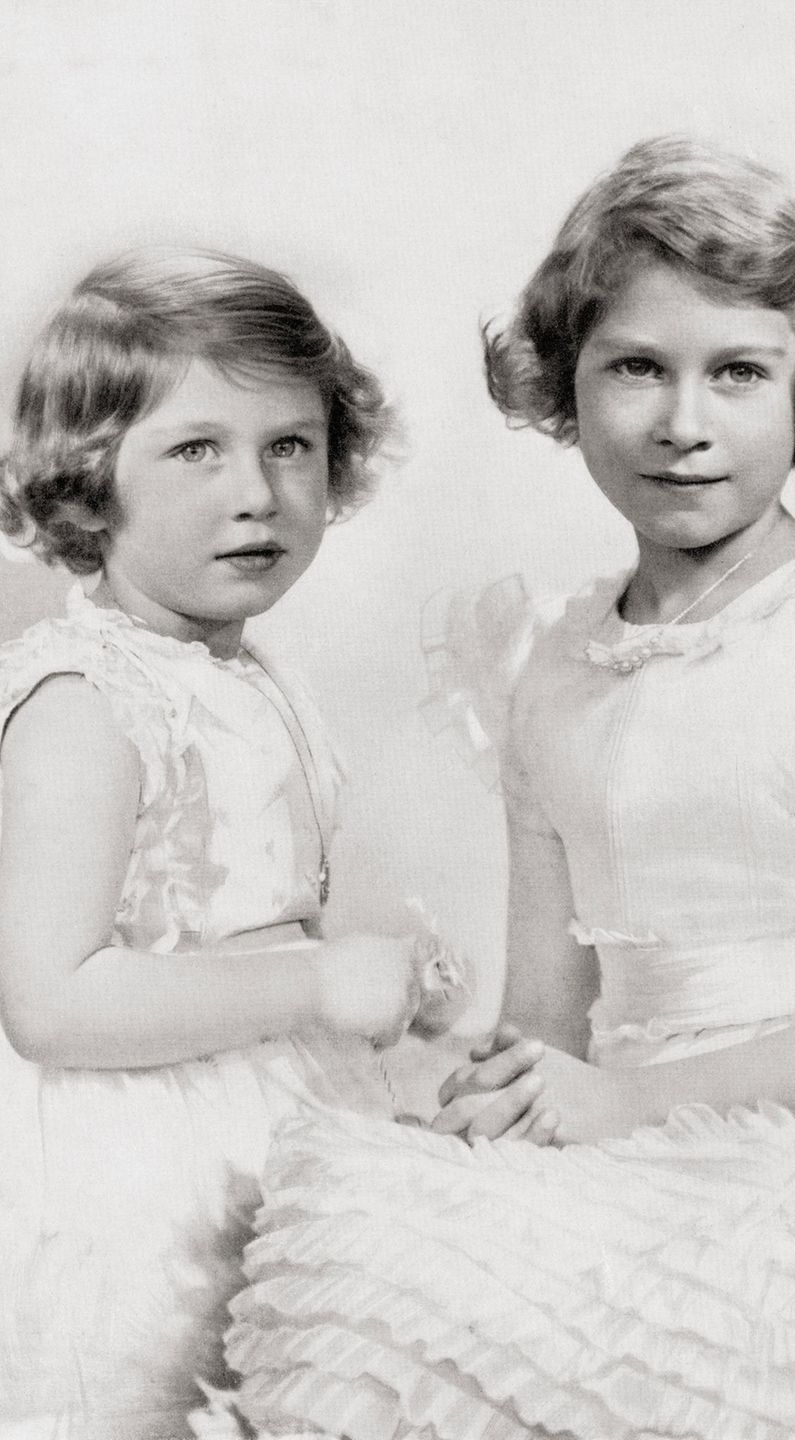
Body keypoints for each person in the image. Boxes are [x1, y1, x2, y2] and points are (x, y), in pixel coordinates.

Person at [218, 139, 795, 1438]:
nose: (683, 423)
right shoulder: (547, 663)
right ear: (567, 380)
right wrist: (502, 1101)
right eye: (636, 368)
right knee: (376, 1250)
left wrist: (629, 1106)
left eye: (739, 372)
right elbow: (547, 1022)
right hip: (623, 1138)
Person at [0, 249, 472, 1440]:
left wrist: (386, 985)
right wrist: (316, 980)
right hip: (135, 1172)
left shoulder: (241, 668)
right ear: (89, 478)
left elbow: (253, 905)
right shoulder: (84, 701)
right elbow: (49, 1001)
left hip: (277, 1123)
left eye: (290, 445)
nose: (257, 492)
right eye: (197, 450)